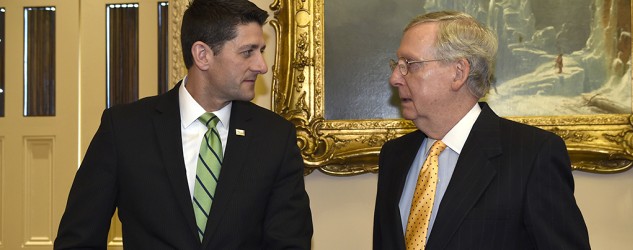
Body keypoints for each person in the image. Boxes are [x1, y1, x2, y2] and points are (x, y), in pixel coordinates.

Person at [55, 0, 313, 249]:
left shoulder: (275, 138)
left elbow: (291, 243)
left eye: (261, 51)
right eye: (248, 52)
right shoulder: (124, 130)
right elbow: (78, 240)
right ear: (202, 55)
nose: (261, 66)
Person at [373, 11, 590, 249]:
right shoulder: (394, 155)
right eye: (397, 64)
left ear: (458, 72)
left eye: (410, 65)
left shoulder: (532, 155)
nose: (395, 78)